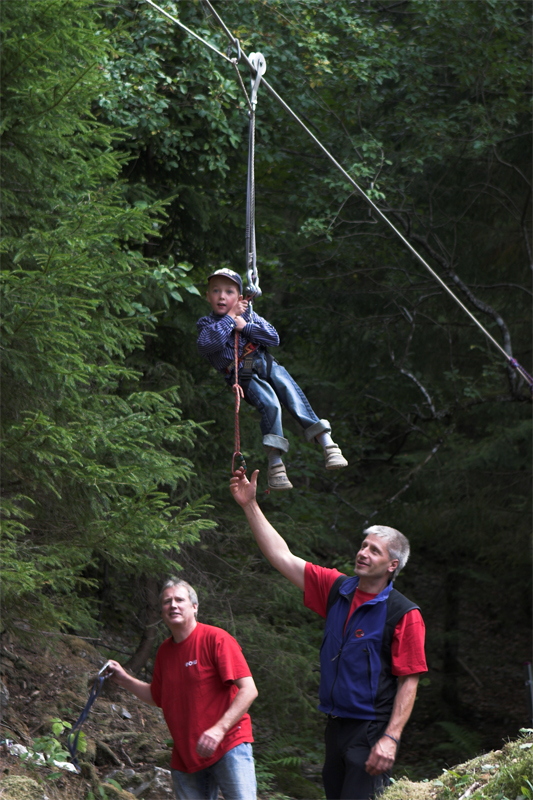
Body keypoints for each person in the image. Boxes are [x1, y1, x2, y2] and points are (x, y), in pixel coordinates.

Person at [230, 468, 427, 800]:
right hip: (334, 726)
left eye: (374, 550)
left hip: (370, 730)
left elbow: (409, 680)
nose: (363, 553)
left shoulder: (403, 613)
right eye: (363, 546)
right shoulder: (337, 589)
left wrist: (390, 739)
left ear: (392, 565)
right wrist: (250, 505)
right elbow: (281, 557)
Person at [106, 578, 258, 800]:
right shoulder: (165, 652)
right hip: (187, 757)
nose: (173, 605)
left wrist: (219, 729)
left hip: (229, 745)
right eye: (167, 602)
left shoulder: (216, 639)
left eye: (179, 599)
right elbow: (157, 697)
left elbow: (249, 690)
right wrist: (124, 679)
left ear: (194, 607)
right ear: (161, 613)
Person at [197, 267, 348, 491]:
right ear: (208, 296)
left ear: (239, 297)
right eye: (216, 291)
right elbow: (207, 345)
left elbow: (273, 337)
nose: (221, 296)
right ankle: (276, 463)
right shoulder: (206, 324)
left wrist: (245, 326)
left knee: (290, 391)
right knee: (270, 404)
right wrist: (230, 319)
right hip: (242, 370)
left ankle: (327, 442)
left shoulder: (249, 315)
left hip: (264, 361)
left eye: (228, 291)